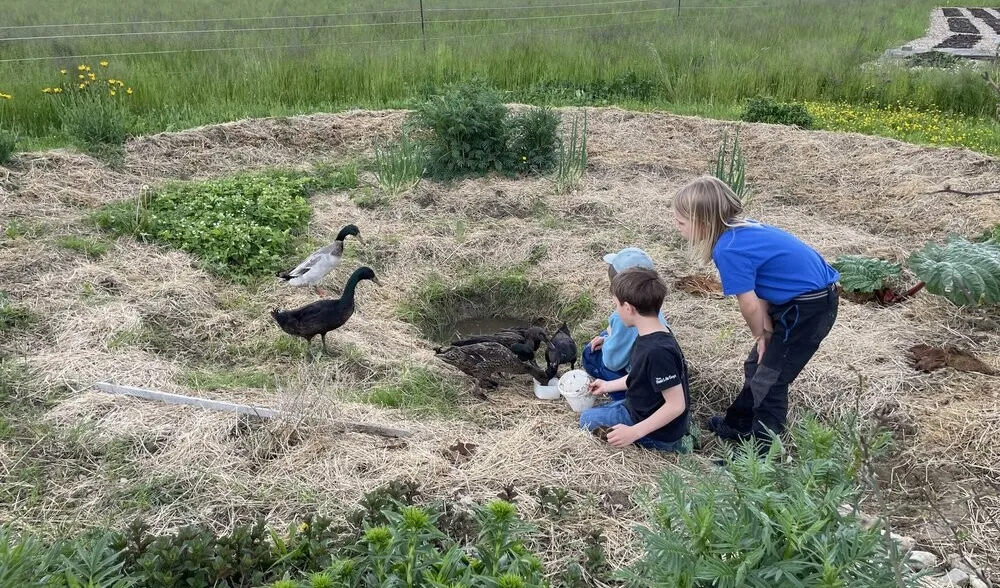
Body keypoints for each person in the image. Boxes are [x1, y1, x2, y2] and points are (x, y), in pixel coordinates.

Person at [671, 175, 839, 451]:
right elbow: (761, 286)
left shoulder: (728, 249)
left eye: (681, 222)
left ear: (703, 222)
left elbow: (748, 303)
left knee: (770, 379)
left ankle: (762, 452)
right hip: (798, 302)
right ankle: (738, 425)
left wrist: (760, 334)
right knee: (757, 366)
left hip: (808, 308)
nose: (676, 226)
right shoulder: (742, 232)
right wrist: (768, 331)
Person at [578, 267, 691, 453]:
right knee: (597, 412)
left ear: (628, 308)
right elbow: (640, 376)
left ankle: (667, 446)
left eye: (616, 305)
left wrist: (634, 432)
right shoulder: (650, 333)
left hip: (660, 434)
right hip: (642, 406)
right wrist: (607, 386)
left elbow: (676, 405)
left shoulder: (657, 352)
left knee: (586, 419)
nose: (616, 310)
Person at [582, 247, 669, 401]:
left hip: (640, 379)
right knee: (605, 335)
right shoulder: (651, 306)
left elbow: (612, 362)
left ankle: (623, 398)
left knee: (589, 354)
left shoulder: (622, 318)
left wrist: (608, 341)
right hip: (647, 365)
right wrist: (607, 338)